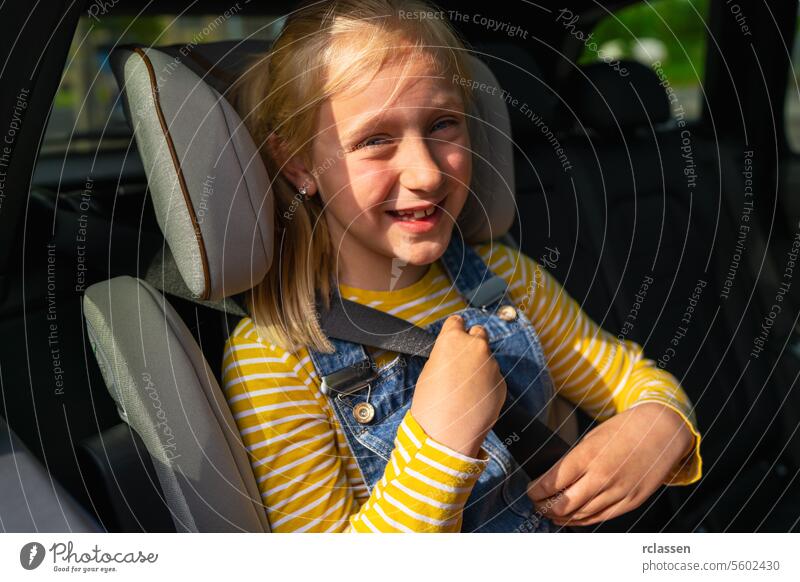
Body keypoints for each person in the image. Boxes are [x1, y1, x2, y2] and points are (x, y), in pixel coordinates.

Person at [224, 0, 701, 532]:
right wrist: (443, 442)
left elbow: (628, 376)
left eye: (444, 124)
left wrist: (662, 422)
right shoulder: (274, 354)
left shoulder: (506, 280)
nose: (426, 174)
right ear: (299, 164)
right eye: (375, 140)